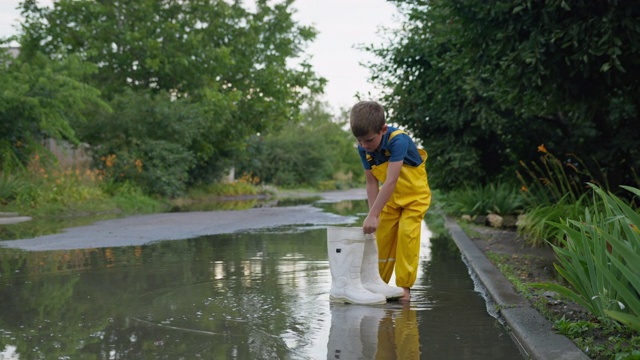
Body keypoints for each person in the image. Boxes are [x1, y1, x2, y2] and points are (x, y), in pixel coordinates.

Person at [349, 100, 431, 302]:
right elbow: (371, 183)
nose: (364, 146)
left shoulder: (398, 140)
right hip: (390, 201)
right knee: (382, 239)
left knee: (406, 235)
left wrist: (373, 215)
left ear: (382, 129)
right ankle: (378, 285)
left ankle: (404, 288)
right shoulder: (364, 149)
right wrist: (372, 216)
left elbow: (391, 180)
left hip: (414, 198)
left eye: (368, 140)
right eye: (359, 141)